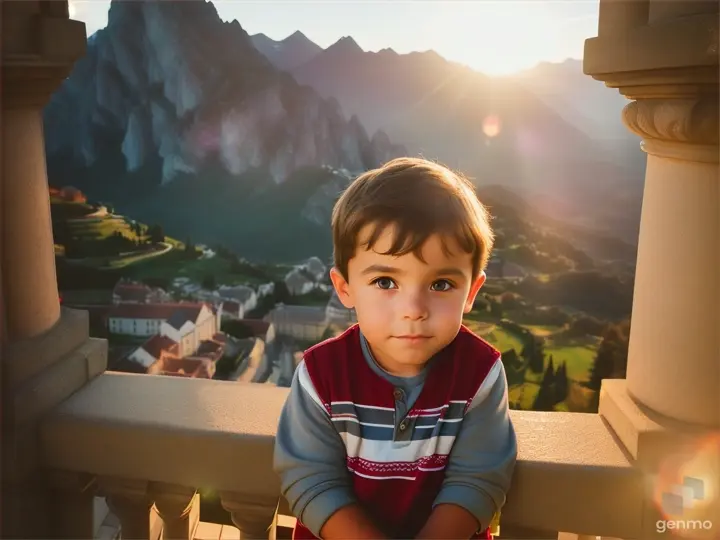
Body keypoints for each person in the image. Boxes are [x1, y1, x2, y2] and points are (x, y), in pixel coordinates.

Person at [273, 157, 518, 540]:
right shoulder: (321, 374)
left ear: (471, 291)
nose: (414, 311)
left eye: (440, 285)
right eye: (386, 282)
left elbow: (477, 479)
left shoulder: (480, 373)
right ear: (345, 288)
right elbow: (311, 479)